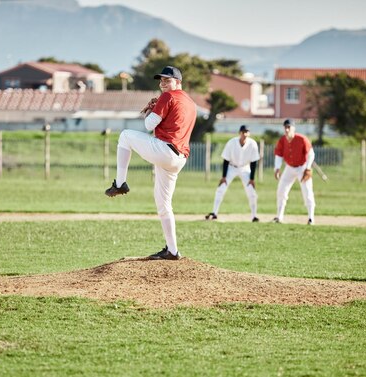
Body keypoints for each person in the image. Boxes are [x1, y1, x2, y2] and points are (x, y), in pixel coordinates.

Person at [105, 66, 197, 260]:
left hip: (165, 150)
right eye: (161, 80)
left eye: (167, 80)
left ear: (178, 82)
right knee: (163, 205)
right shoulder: (190, 102)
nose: (163, 83)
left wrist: (153, 110)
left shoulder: (167, 97)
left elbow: (148, 125)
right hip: (179, 158)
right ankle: (172, 251)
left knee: (125, 136)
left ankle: (120, 184)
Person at [205, 125, 260, 222]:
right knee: (221, 188)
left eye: (247, 132)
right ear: (240, 133)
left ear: (249, 133)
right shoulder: (232, 142)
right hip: (232, 167)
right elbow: (226, 159)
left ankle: (254, 216)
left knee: (251, 191)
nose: (245, 134)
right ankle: (214, 213)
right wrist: (224, 177)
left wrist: (252, 179)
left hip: (245, 168)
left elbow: (254, 162)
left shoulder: (252, 144)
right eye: (243, 132)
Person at [273, 119, 316, 225]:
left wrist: (308, 168)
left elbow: (311, 154)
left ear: (293, 128)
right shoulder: (282, 140)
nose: (287, 129)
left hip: (302, 167)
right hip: (289, 167)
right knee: (281, 190)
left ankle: (311, 218)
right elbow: (279, 154)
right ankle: (279, 216)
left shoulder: (301, 139)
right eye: (285, 127)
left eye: (289, 127)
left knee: (307, 191)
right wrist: (277, 168)